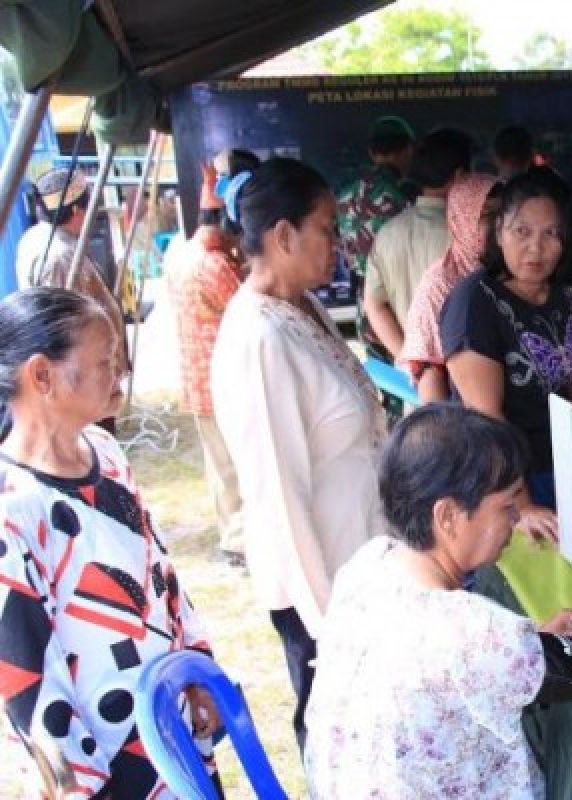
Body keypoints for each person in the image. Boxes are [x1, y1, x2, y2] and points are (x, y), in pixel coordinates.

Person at [305, 405, 572, 799]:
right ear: (447, 516)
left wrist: (532, 642)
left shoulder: (368, 565)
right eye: (507, 506)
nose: (515, 520)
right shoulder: (477, 634)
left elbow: (447, 667)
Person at [0, 288, 222, 797]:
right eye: (104, 360)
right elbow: (25, 682)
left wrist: (199, 666)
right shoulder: (12, 508)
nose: (118, 374)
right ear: (41, 376)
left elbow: (160, 572)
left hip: (172, 737)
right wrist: (93, 788)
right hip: (108, 773)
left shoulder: (105, 450)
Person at [211, 158, 387, 750]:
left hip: (361, 561)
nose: (336, 243)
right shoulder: (259, 337)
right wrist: (329, 623)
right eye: (328, 227)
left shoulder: (301, 308)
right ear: (283, 235)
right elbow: (278, 498)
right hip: (324, 587)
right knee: (340, 737)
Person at [440, 170, 572, 525]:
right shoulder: (475, 302)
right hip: (496, 478)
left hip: (558, 464)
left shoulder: (566, 297)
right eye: (522, 231)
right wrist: (520, 504)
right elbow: (486, 419)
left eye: (550, 234)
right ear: (498, 232)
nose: (535, 248)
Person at [165, 150, 260, 566]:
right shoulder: (217, 266)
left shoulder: (181, 254)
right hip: (223, 382)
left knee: (219, 465)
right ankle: (240, 543)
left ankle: (232, 536)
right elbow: (250, 312)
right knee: (237, 466)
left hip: (196, 378)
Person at [15, 169, 129, 416]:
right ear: (77, 211)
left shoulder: (35, 238)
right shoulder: (61, 257)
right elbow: (65, 328)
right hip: (82, 381)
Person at [362, 127, 472, 363]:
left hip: (417, 381)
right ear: (461, 175)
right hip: (469, 378)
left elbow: (375, 306)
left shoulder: (388, 233)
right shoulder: (469, 235)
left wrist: (407, 359)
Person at [400, 173, 501, 404]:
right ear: (463, 219)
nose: (499, 224)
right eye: (488, 215)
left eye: (504, 214)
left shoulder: (509, 273)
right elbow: (429, 376)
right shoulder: (439, 285)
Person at [335, 115, 419, 281]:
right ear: (409, 149)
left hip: (363, 291)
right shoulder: (406, 195)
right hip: (399, 288)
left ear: (371, 152)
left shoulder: (345, 195)